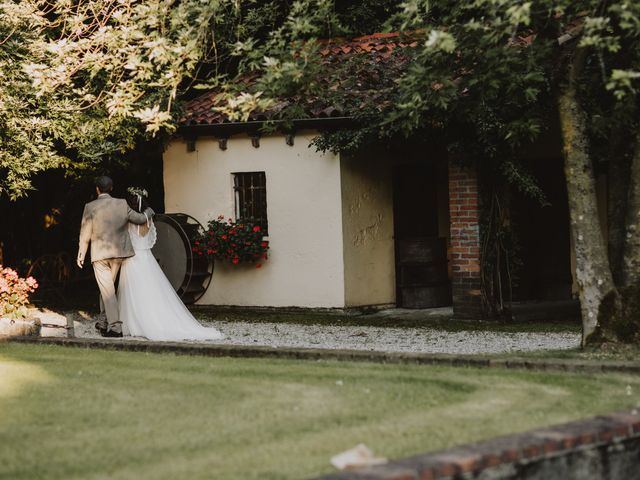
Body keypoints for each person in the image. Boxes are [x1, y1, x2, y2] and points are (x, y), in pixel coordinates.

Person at [117, 187, 224, 342]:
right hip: (147, 258)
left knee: (133, 290)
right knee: (152, 291)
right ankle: (151, 319)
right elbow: (149, 240)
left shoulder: (128, 221)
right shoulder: (148, 219)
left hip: (133, 258)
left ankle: (135, 323)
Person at [77, 176, 154, 337]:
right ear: (111, 188)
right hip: (119, 254)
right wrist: (149, 211)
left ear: (97, 189)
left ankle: (115, 327)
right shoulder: (122, 204)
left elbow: (85, 233)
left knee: (107, 291)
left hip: (100, 255)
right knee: (107, 288)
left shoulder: (90, 207)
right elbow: (139, 219)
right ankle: (104, 321)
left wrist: (81, 253)